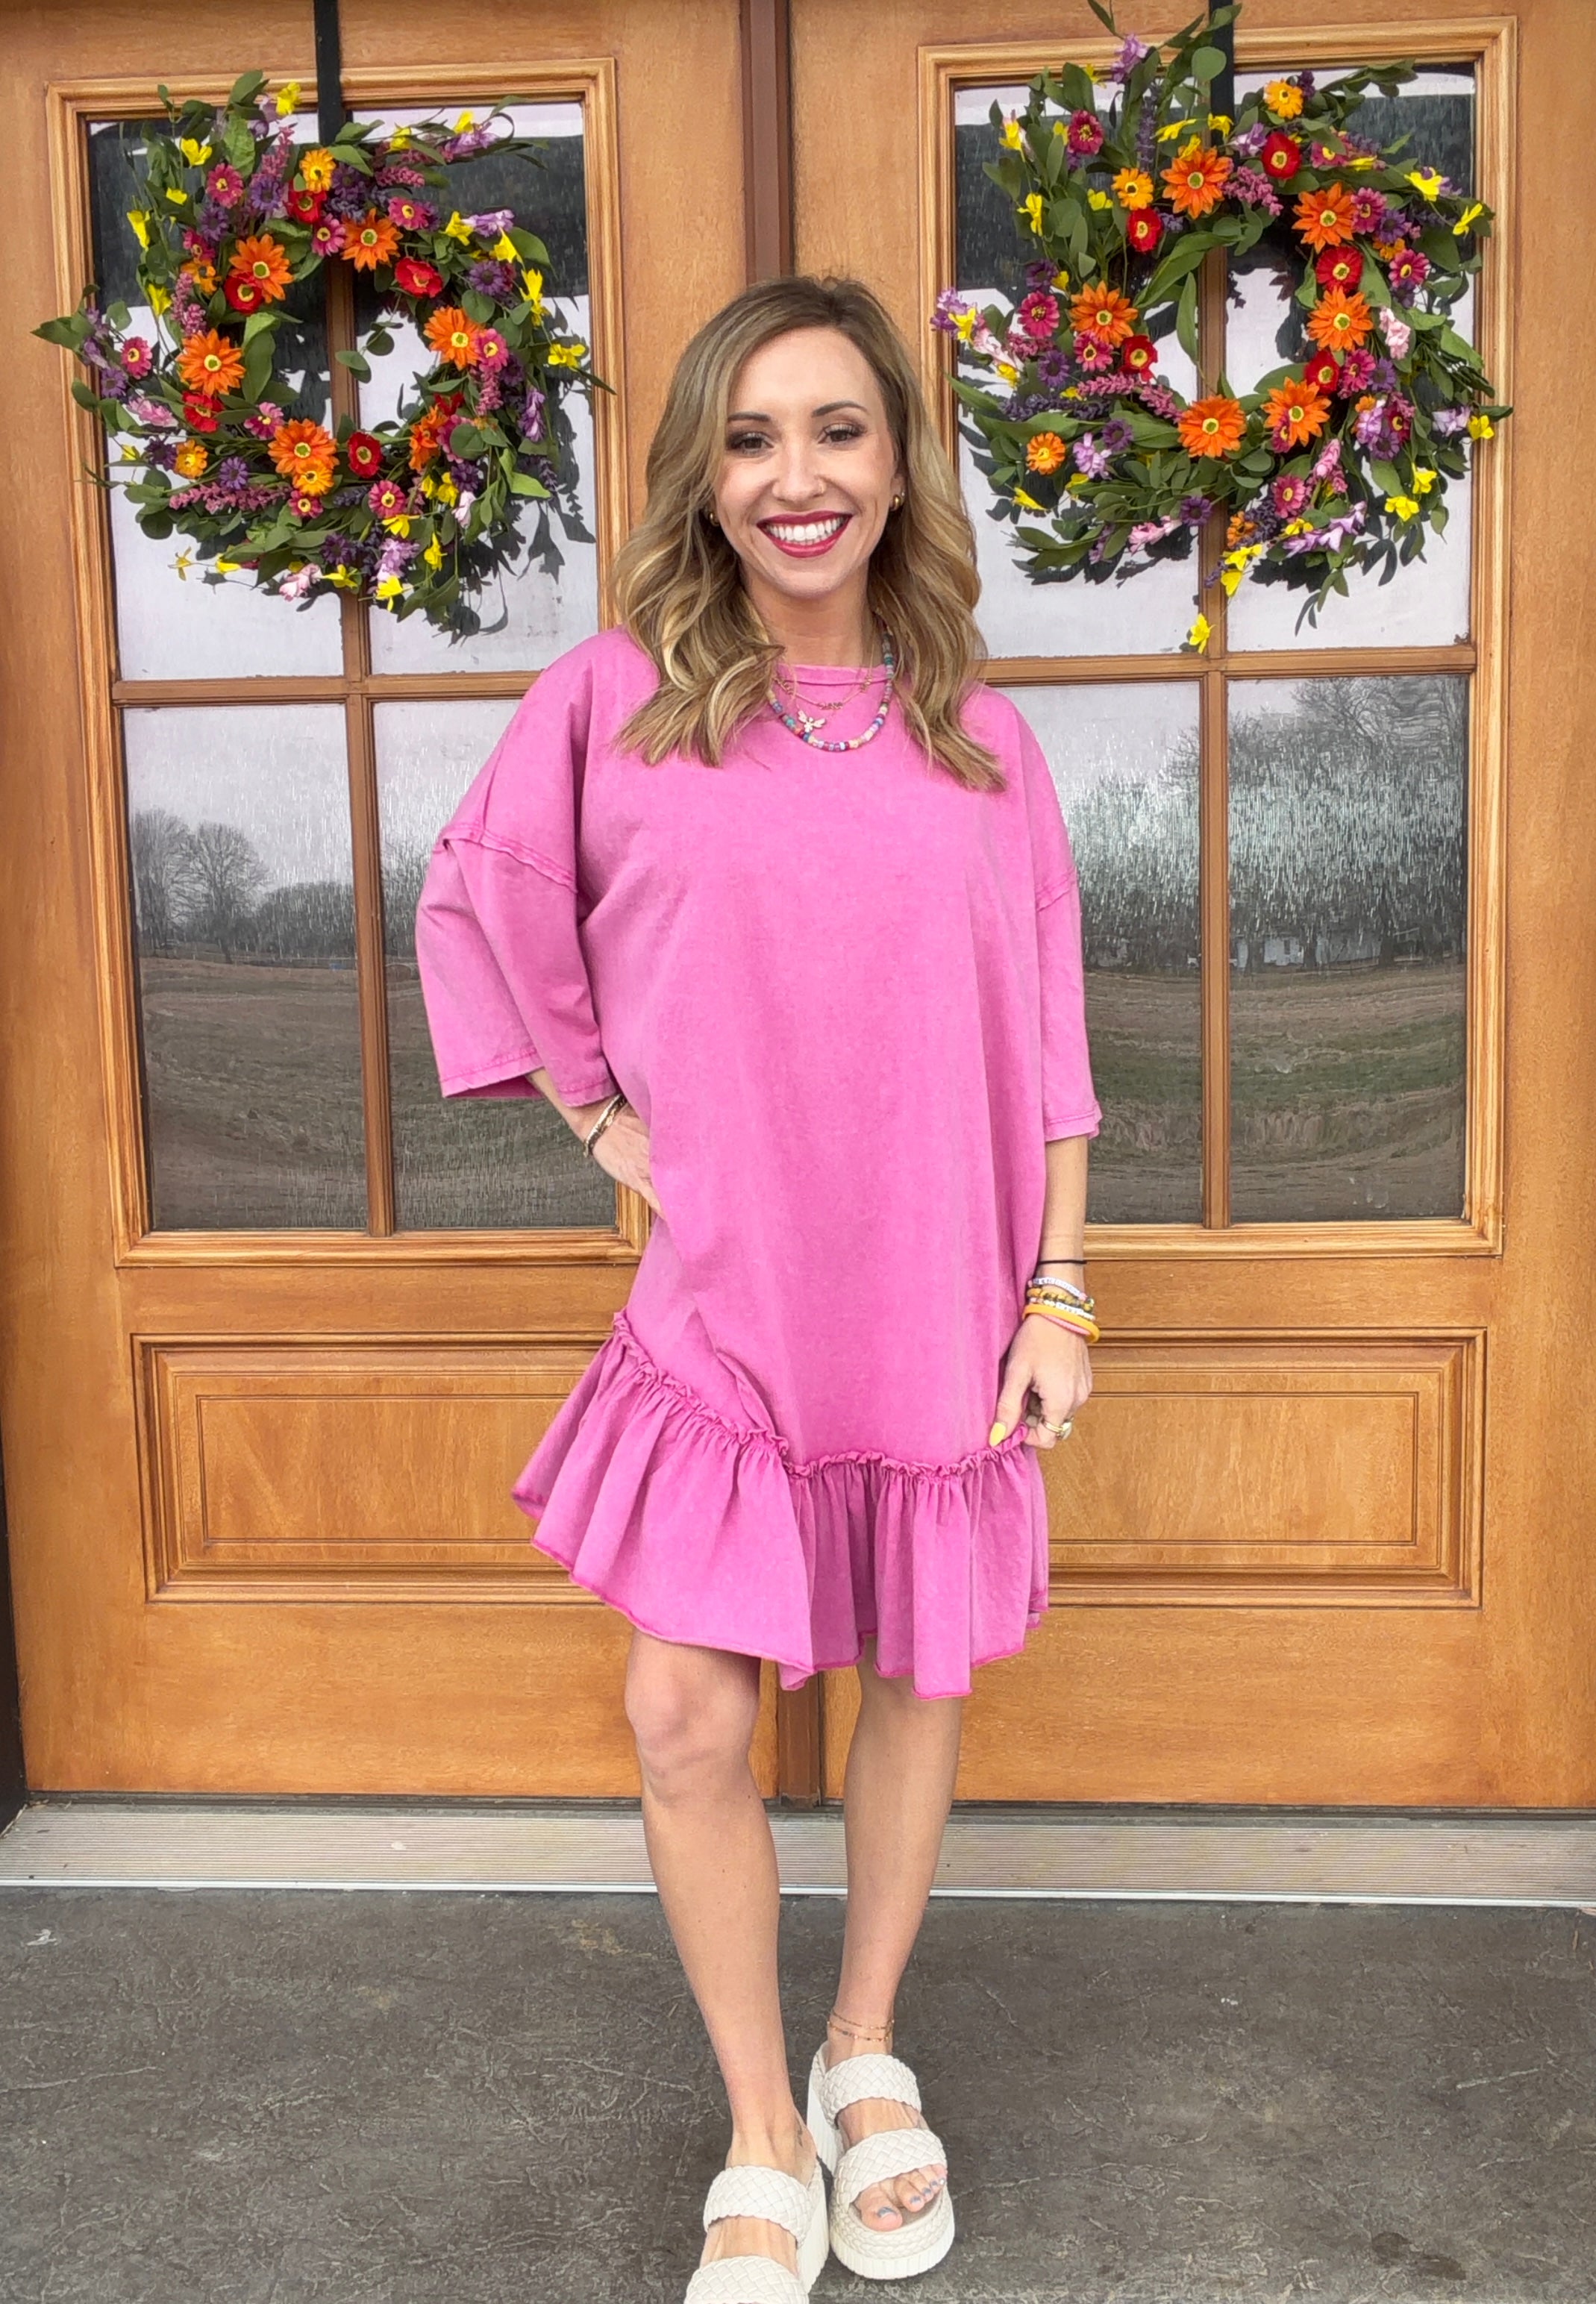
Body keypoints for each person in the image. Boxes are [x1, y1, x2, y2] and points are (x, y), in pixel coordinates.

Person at [415, 273, 1101, 2302]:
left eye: (835, 429)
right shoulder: (615, 702)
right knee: (683, 1715)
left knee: (916, 1676)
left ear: (896, 465)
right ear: (701, 480)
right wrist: (599, 1118)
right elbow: (482, 895)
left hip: (939, 1286)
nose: (795, 476)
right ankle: (759, 2128)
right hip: (725, 1301)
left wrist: (1059, 1291)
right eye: (748, 438)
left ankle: (863, 2049)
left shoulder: (984, 741)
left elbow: (1052, 1041)